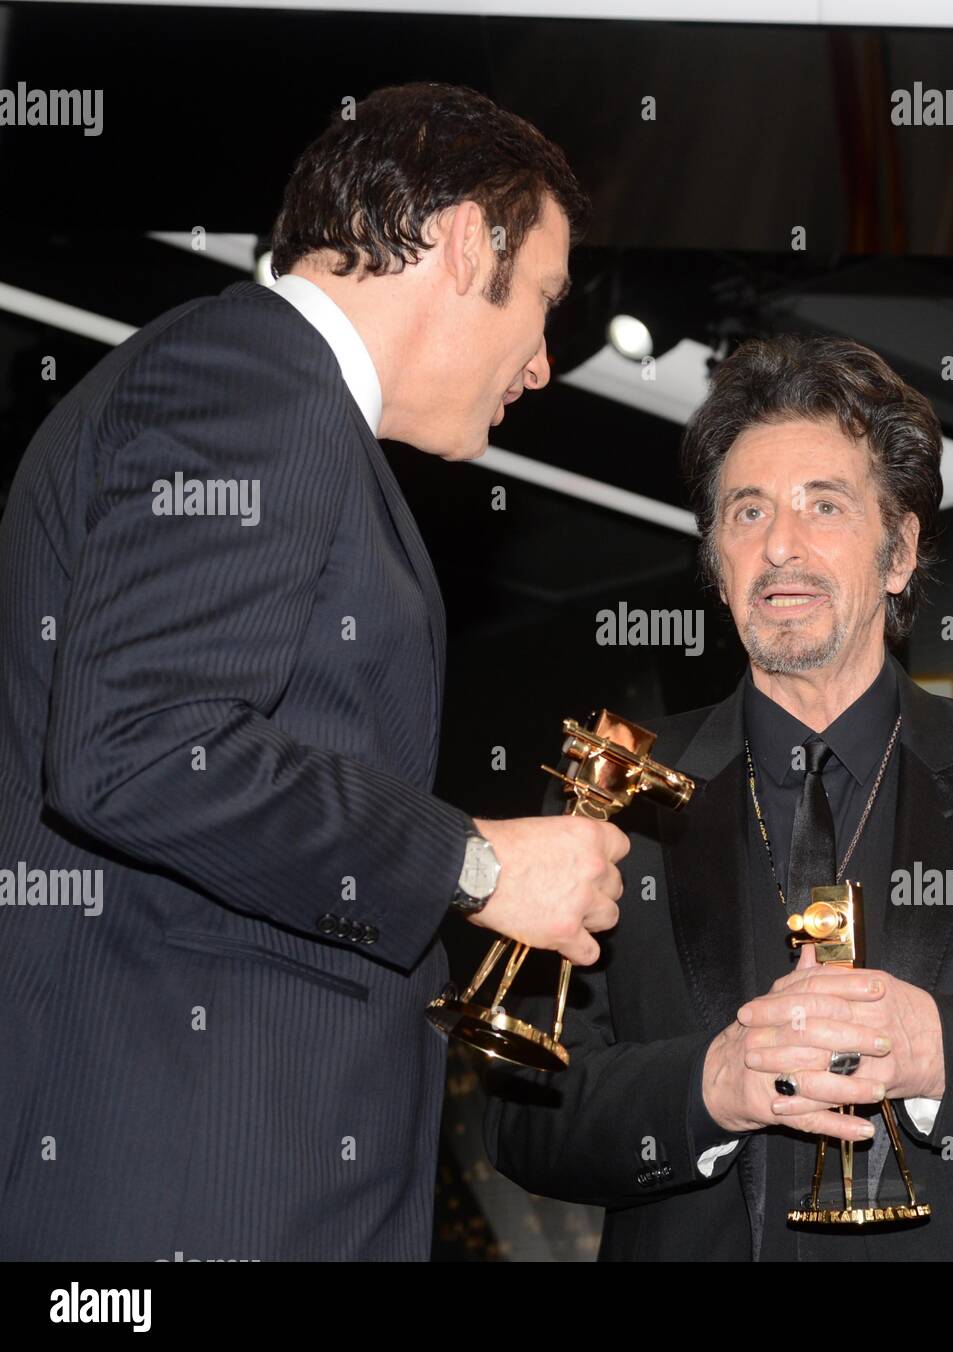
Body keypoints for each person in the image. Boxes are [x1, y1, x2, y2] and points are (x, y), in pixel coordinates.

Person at [0, 82, 627, 1261]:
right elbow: (134, 745)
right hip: (194, 1181)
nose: (543, 364)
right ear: (462, 240)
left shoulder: (268, 398)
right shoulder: (256, 375)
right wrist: (475, 860)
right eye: (543, 301)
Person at [484, 333, 953, 1261]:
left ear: (899, 552)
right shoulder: (610, 793)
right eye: (747, 513)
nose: (781, 545)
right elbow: (525, 1122)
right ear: (716, 561)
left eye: (825, 505)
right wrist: (712, 1083)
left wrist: (938, 1051)